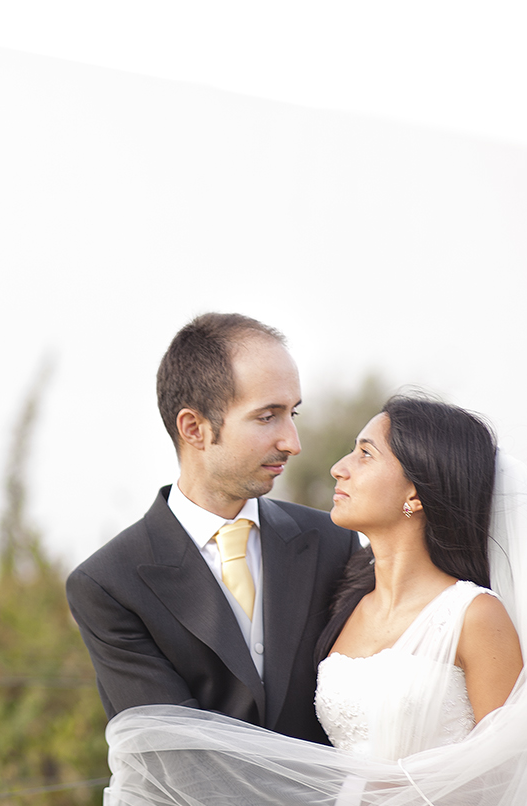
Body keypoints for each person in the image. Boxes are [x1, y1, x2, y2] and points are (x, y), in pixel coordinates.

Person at [99, 396, 527, 806]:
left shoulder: (476, 617)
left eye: (364, 453)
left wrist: (341, 802)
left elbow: (509, 802)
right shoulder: (344, 602)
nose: (337, 467)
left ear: (416, 493)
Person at [67, 313, 361, 745]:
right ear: (194, 429)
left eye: (292, 413)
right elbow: (173, 754)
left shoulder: (333, 542)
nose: (292, 442)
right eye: (267, 417)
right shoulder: (110, 584)